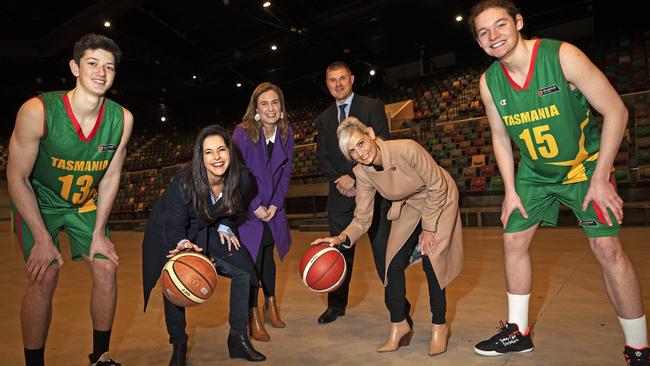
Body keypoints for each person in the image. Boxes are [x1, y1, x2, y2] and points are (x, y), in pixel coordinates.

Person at [468, 1, 649, 364]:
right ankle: (518, 333)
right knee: (513, 240)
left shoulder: (562, 56)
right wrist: (510, 190)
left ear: (518, 22)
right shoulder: (489, 81)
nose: (494, 36)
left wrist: (601, 176)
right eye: (484, 32)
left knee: (608, 251)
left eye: (500, 25)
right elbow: (500, 138)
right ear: (478, 41)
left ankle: (639, 347)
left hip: (583, 168)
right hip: (534, 172)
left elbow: (616, 110)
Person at [7, 33, 133, 366]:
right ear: (75, 67)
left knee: (106, 267)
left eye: (109, 67)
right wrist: (42, 238)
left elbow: (110, 177)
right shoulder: (37, 111)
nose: (101, 72)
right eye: (92, 63)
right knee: (44, 272)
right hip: (39, 202)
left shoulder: (122, 120)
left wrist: (98, 234)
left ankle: (100, 356)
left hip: (83, 204)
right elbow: (16, 177)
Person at [311, 117, 464, 355]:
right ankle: (399, 325)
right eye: (352, 151)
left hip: (440, 197)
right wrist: (339, 239)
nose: (360, 153)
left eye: (360, 143)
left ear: (371, 133)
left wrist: (429, 228)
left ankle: (439, 327)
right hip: (410, 203)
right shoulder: (362, 172)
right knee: (391, 264)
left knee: (431, 259)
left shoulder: (407, 148)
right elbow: (362, 218)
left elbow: (436, 184)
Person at [141, 125, 266, 364]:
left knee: (244, 272)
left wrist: (226, 224)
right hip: (170, 230)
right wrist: (183, 245)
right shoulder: (183, 182)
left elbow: (236, 204)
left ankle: (238, 339)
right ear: (200, 157)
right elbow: (175, 224)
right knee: (175, 279)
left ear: (230, 151)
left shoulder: (243, 178)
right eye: (208, 152)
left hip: (206, 227)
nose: (216, 157)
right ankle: (178, 344)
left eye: (221, 150)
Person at [315, 61, 390, 324]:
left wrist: (358, 179)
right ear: (327, 84)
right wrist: (340, 178)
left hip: (375, 195)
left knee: (384, 254)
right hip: (340, 197)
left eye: (342, 78)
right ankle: (336, 306)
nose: (338, 84)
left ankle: (396, 305)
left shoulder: (372, 107)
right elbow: (323, 157)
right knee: (339, 253)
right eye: (332, 80)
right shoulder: (323, 119)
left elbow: (381, 143)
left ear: (352, 79)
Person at [233, 82, 294, 342]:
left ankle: (271, 304)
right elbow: (238, 174)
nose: (271, 108)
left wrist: (275, 205)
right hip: (249, 208)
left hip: (272, 209)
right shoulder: (242, 134)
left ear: (281, 107)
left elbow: (287, 171)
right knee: (252, 261)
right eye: (265, 103)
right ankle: (252, 313)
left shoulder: (286, 133)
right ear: (256, 108)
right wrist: (256, 205)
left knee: (268, 256)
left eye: (275, 102)